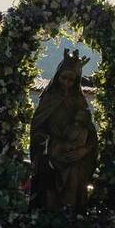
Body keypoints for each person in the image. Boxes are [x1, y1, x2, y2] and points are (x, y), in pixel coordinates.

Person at [30, 49, 98, 210]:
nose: (66, 83)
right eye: (64, 78)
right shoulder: (49, 98)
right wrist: (46, 142)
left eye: (71, 80)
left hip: (74, 156)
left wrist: (85, 149)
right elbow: (37, 126)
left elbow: (90, 130)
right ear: (57, 76)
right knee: (49, 189)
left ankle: (71, 218)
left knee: (75, 182)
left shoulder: (79, 101)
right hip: (52, 153)